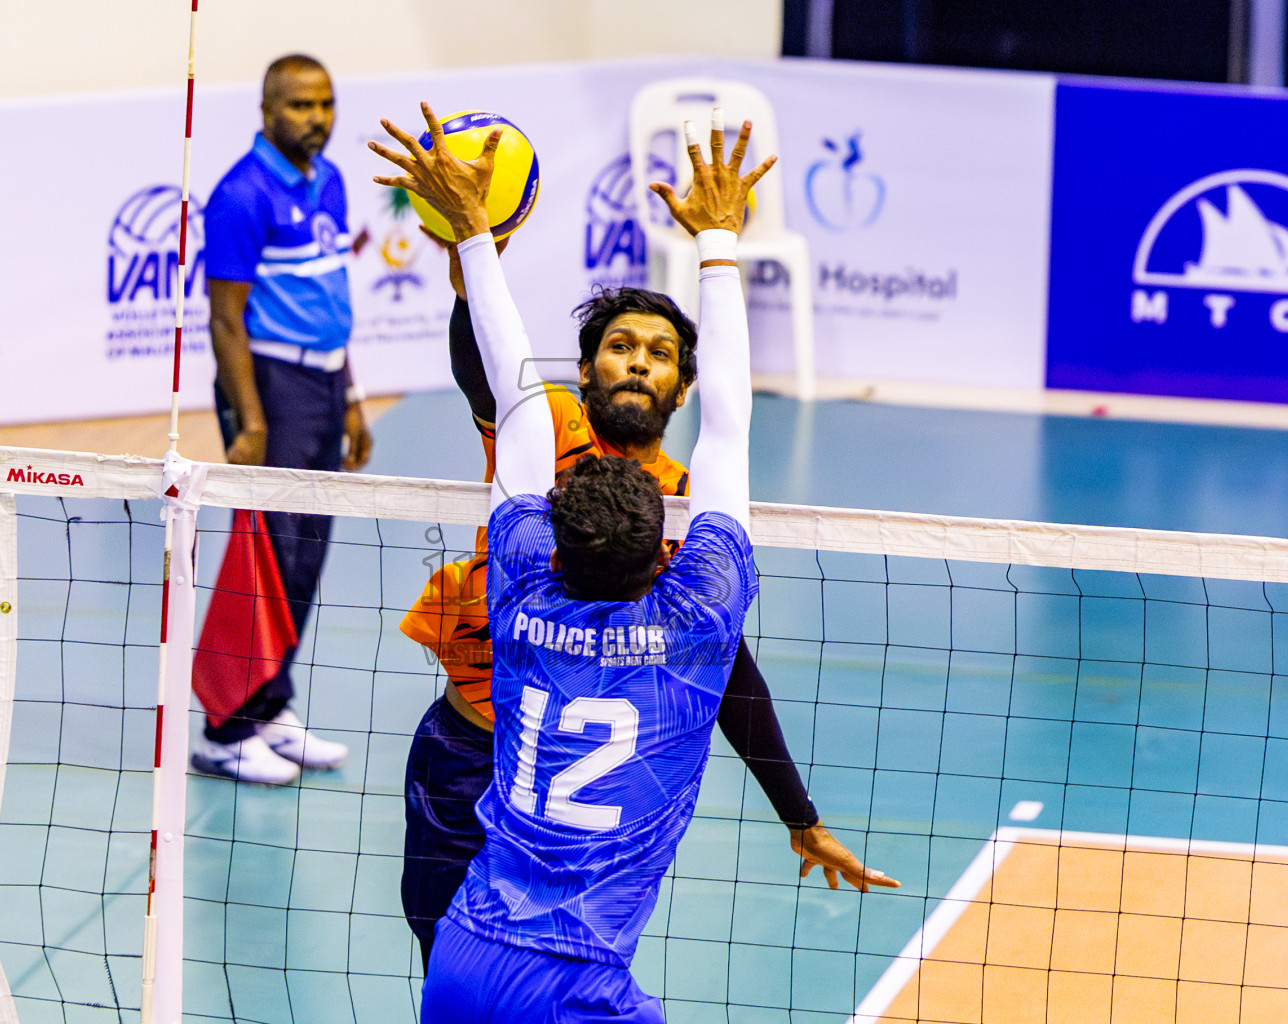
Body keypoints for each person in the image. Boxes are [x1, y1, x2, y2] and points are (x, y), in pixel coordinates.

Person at [372, 102, 899, 1021]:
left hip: (552, 799)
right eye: (619, 346)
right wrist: (469, 265)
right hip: (469, 756)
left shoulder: (653, 506)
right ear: (583, 370)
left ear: (680, 386)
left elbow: (729, 672)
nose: (637, 364)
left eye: (659, 354)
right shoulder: (558, 433)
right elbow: (486, 371)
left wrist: (795, 811)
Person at [189, 54, 372, 784]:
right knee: (263, 555)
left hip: (324, 381)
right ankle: (221, 729)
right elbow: (225, 318)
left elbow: (330, 291)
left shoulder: (329, 182)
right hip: (272, 383)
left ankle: (268, 705)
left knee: (307, 553)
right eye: (300, 106)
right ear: (267, 109)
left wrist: (352, 395)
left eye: (325, 104)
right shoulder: (240, 195)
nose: (317, 119)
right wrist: (252, 420)